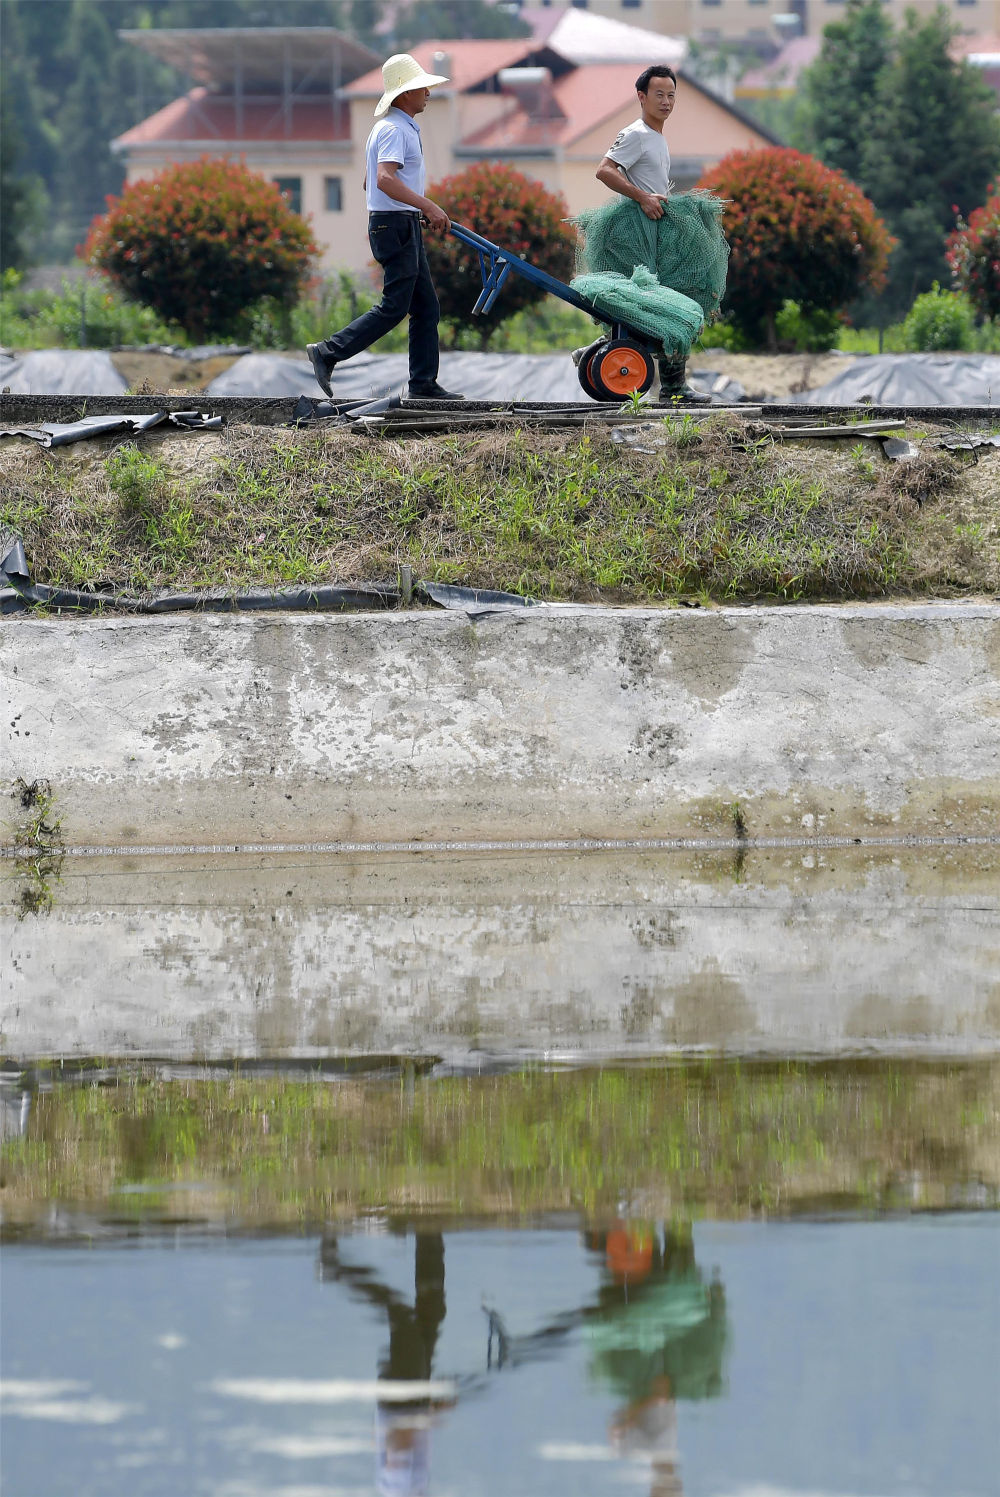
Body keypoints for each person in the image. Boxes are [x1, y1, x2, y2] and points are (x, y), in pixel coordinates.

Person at [307, 53, 463, 403]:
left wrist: (412, 207)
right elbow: (383, 179)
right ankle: (328, 352)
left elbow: (370, 181)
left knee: (426, 307)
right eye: (421, 87)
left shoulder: (392, 127)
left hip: (399, 222)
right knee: (395, 306)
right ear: (404, 94)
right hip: (394, 227)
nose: (427, 93)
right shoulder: (394, 129)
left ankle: (423, 383)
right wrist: (427, 205)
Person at [594, 66, 711, 404]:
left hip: (656, 231)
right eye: (659, 94)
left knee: (658, 305)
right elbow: (604, 170)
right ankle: (673, 388)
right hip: (639, 234)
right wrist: (642, 197)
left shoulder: (657, 136)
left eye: (671, 95)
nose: (666, 102)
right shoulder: (636, 134)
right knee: (669, 305)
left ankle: (599, 350)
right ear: (641, 97)